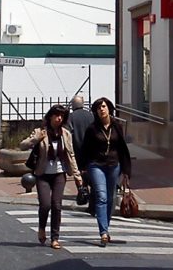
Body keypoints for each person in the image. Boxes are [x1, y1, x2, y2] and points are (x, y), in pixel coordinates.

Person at [20, 104, 82, 250]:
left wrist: (77, 175)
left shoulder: (66, 134)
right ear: (50, 116)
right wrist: (35, 139)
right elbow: (22, 145)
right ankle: (42, 228)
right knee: (45, 204)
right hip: (43, 174)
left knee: (57, 205)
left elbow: (70, 155)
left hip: (60, 173)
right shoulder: (40, 132)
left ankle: (55, 238)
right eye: (56, 115)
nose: (59, 118)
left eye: (62, 116)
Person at [79, 97, 131, 247]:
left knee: (111, 198)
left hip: (114, 165)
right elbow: (85, 149)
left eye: (103, 106)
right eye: (98, 108)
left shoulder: (117, 127)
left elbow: (122, 149)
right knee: (101, 197)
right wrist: (82, 168)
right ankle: (103, 232)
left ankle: (106, 228)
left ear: (109, 108)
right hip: (96, 165)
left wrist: (126, 171)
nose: (101, 109)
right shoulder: (92, 129)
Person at [67, 95, 94, 213]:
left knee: (78, 171)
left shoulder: (71, 117)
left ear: (73, 105)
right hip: (90, 149)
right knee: (90, 171)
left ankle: (82, 191)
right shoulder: (91, 115)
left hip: (77, 148)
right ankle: (90, 193)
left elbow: (68, 132)